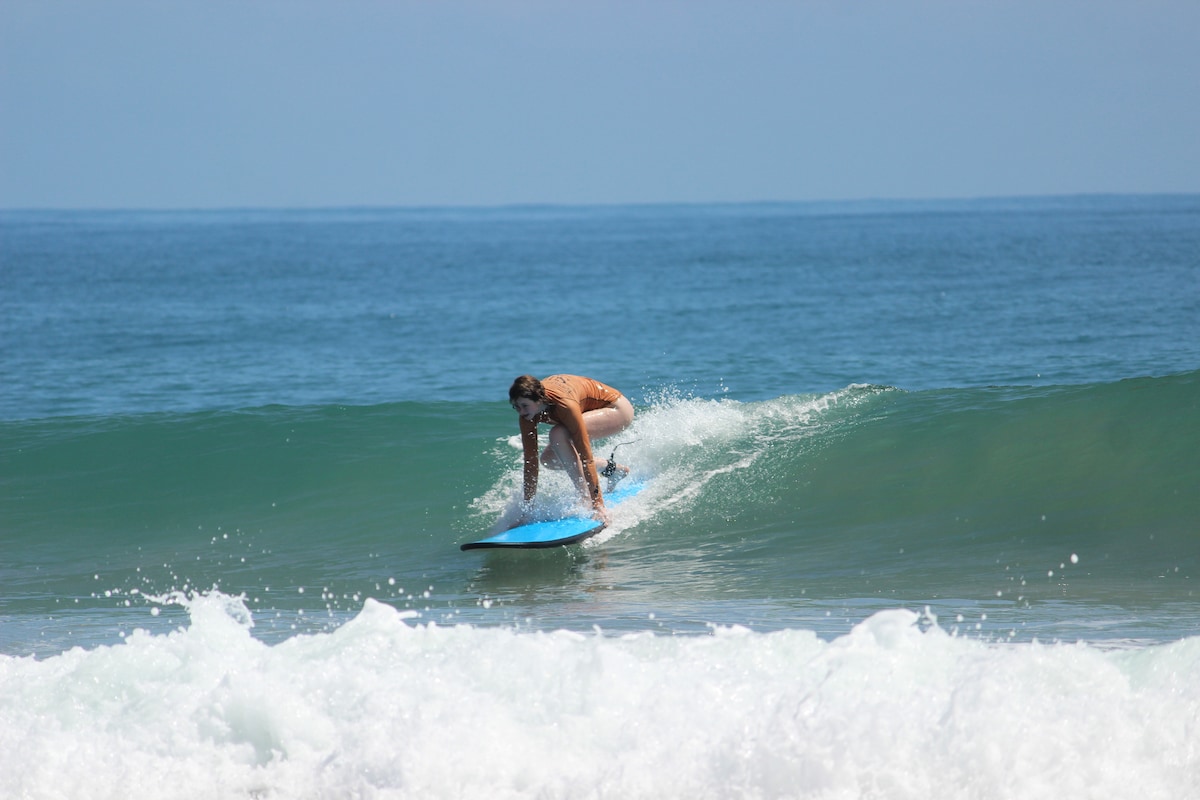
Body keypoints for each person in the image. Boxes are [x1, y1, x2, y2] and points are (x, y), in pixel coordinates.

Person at [509, 374, 634, 523]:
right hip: (587, 409)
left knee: (558, 434)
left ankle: (586, 498)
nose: (521, 412)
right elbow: (531, 462)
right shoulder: (527, 415)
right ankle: (613, 470)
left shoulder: (565, 405)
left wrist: (598, 505)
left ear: (539, 399)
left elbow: (585, 457)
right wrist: (527, 512)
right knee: (549, 460)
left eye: (524, 406)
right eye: (516, 406)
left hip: (617, 409)